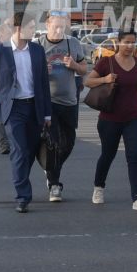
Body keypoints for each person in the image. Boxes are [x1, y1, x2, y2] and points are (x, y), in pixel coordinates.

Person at [0, 18, 53, 212]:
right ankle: (23, 196)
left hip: (34, 106)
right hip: (13, 109)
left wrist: (48, 114)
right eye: (32, 27)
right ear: (19, 28)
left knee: (29, 151)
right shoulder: (0, 51)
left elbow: (43, 83)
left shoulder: (37, 51)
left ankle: (21, 179)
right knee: (19, 149)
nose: (35, 31)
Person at [85, 29, 137, 210]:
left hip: (133, 117)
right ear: (119, 42)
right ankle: (99, 186)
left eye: (133, 43)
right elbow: (88, 81)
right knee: (108, 154)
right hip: (110, 118)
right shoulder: (107, 62)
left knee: (133, 157)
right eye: (127, 42)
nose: (130, 46)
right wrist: (105, 79)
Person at [39, 11, 91, 202]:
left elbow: (85, 69)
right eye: (56, 26)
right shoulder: (38, 45)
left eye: (62, 26)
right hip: (49, 102)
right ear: (47, 25)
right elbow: (30, 73)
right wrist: (42, 70)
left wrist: (74, 66)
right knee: (52, 143)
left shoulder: (72, 43)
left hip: (69, 101)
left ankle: (51, 168)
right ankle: (54, 184)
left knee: (68, 143)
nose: (59, 30)